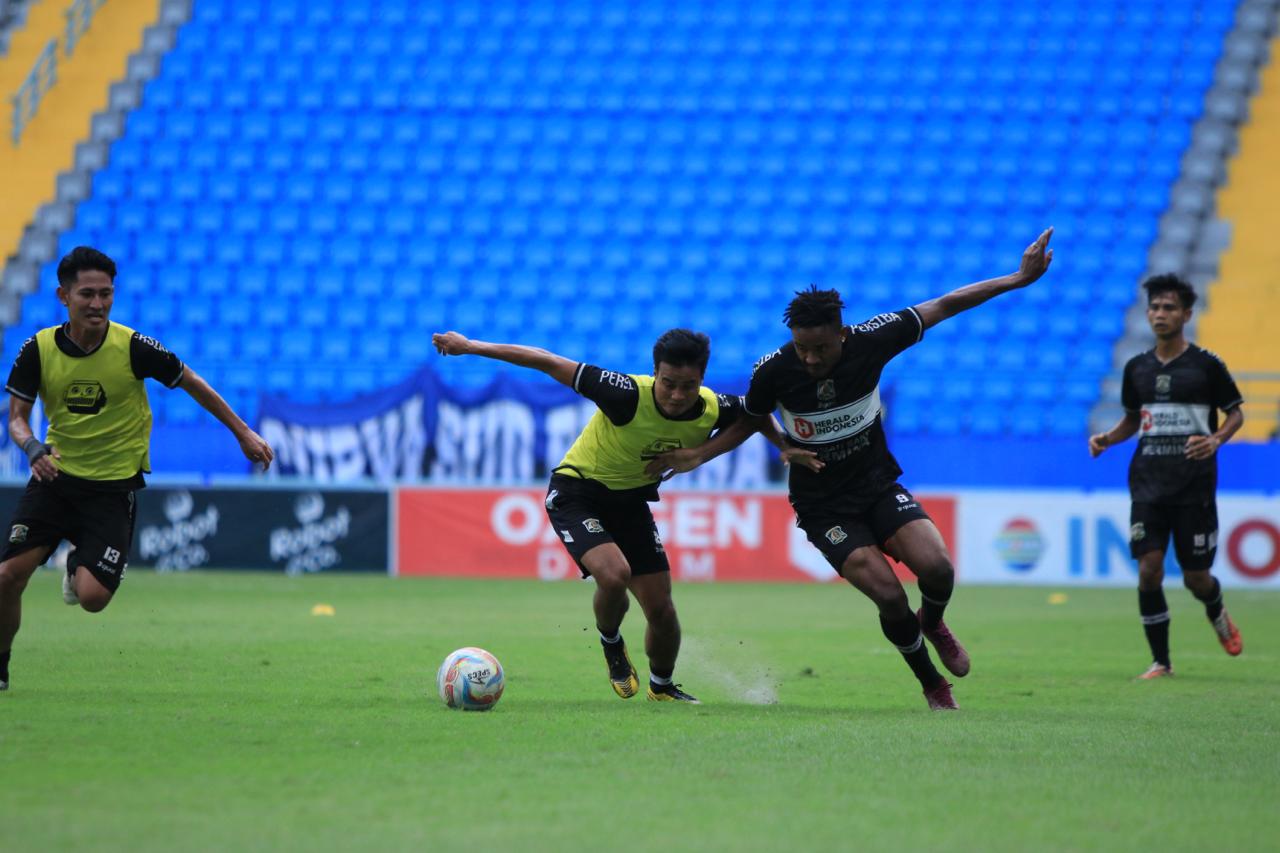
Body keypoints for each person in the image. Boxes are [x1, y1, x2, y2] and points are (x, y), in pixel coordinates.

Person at [648, 229, 1055, 710]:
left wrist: (1016, 279)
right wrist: (739, 450)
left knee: (938, 568)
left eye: (820, 348)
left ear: (842, 334)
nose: (810, 358)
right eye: (802, 348)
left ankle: (935, 620)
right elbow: (753, 416)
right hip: (823, 505)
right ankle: (933, 685)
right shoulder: (772, 371)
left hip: (877, 483)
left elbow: (943, 305)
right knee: (888, 595)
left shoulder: (872, 340)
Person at [432, 327, 759, 704]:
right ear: (655, 372)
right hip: (576, 493)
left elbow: (756, 415)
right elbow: (547, 359)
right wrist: (471, 346)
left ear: (702, 378)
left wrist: (704, 453)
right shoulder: (624, 394)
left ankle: (662, 688)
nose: (677, 395)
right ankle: (611, 642)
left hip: (629, 503)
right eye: (668, 383)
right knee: (614, 574)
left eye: (688, 386)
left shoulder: (713, 407)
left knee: (662, 611)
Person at [0, 247, 274, 691]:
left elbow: (192, 382)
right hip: (54, 480)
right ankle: (0, 663)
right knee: (7, 577)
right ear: (62, 296)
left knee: (91, 599)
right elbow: (15, 417)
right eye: (87, 294)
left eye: (106, 294)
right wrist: (32, 447)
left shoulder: (133, 346)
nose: (98, 303)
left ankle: (76, 567)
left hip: (111, 490)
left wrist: (242, 433)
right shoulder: (38, 348)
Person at [1089, 273, 1244, 679]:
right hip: (1147, 483)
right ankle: (1161, 662)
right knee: (1149, 569)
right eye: (1155, 307)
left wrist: (1216, 440)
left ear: (1186, 314)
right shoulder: (1137, 368)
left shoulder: (1207, 366)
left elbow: (1236, 412)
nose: (1160, 314)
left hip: (1194, 485)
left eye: (1169, 307)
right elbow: (1131, 420)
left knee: (1196, 578)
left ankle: (1216, 610)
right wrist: (1108, 438)